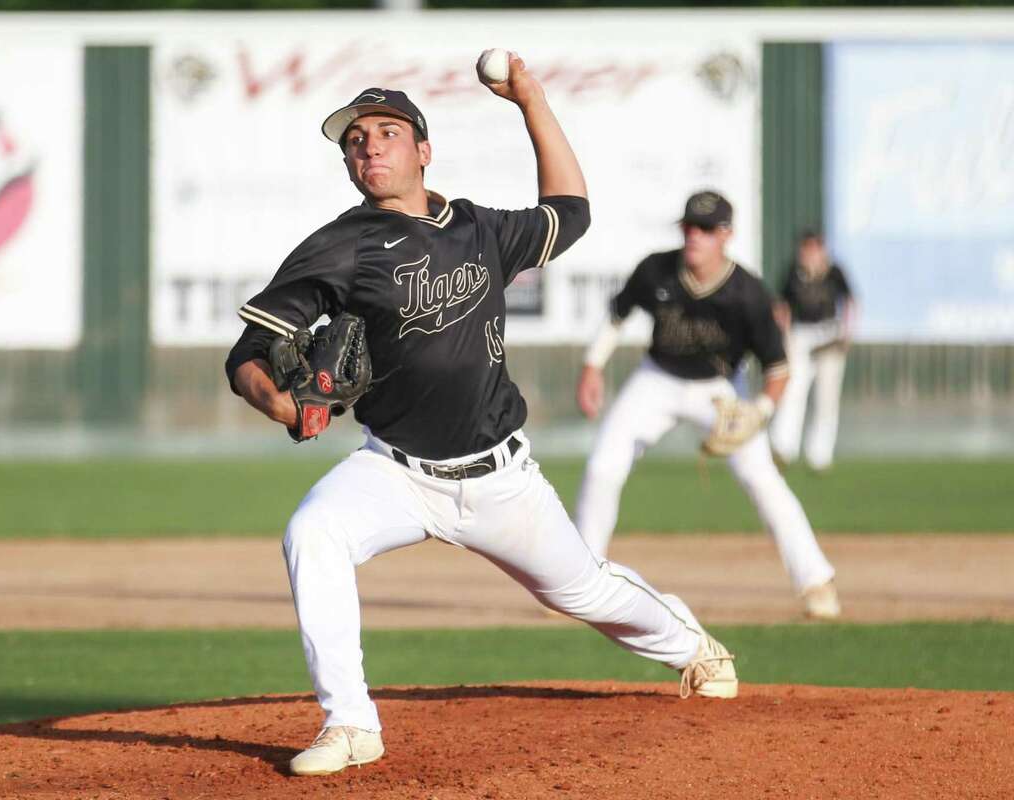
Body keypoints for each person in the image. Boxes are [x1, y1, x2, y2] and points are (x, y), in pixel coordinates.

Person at [225, 55, 738, 778]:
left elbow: (571, 211)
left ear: (423, 149)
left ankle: (694, 649)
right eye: (354, 139)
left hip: (501, 477)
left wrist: (529, 96)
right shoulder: (340, 245)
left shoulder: (476, 229)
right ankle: (350, 723)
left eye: (386, 131)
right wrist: (277, 400)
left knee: (583, 590)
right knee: (314, 530)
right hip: (395, 470)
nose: (369, 145)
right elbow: (250, 348)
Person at [573, 191, 840, 622]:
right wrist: (592, 367)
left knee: (761, 477)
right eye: (688, 228)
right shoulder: (656, 269)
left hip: (719, 390)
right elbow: (617, 316)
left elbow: (779, 369)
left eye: (706, 229)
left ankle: (816, 583)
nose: (694, 236)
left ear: (726, 235)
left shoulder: (748, 294)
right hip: (656, 379)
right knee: (604, 464)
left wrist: (760, 412)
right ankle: (579, 584)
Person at [769, 230, 855, 472]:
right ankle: (783, 448)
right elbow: (782, 306)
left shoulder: (834, 272)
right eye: (805, 247)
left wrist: (848, 332)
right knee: (792, 390)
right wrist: (784, 336)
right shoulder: (793, 273)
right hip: (800, 334)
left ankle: (820, 455)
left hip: (828, 335)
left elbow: (850, 301)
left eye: (813, 247)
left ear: (821, 248)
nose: (808, 252)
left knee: (826, 397)